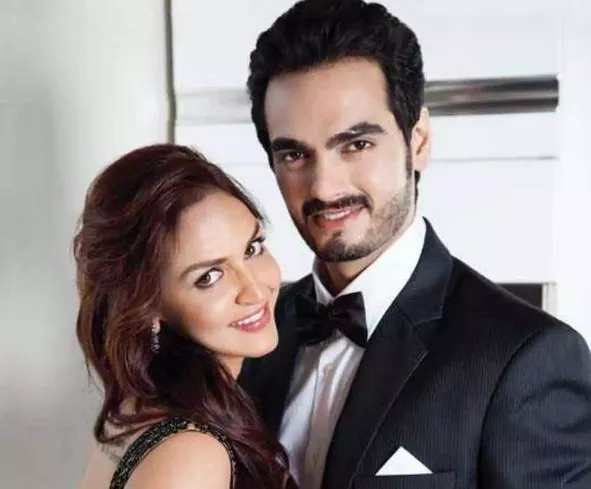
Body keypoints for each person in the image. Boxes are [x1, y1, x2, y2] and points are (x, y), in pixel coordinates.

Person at [239, 1, 591, 488]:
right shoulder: (245, 333)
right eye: (295, 154)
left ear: (418, 140)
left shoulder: (526, 358)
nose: (324, 187)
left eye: (356, 144)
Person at [75, 144, 296, 489]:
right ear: (148, 304)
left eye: (252, 249)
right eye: (209, 277)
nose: (254, 290)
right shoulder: (190, 453)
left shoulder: (135, 411)